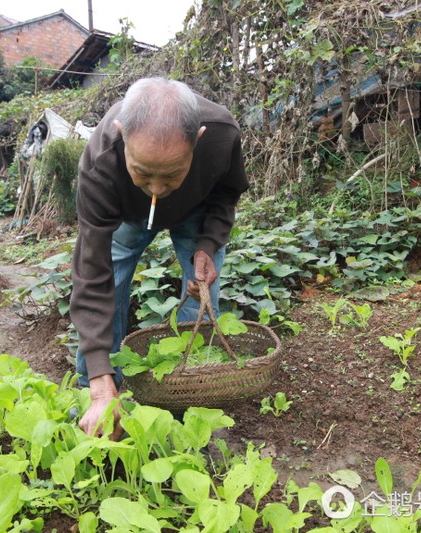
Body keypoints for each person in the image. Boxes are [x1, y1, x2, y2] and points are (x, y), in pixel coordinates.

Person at [70, 77, 249, 436]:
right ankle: (97, 387)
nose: (156, 189)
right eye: (142, 171)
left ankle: (186, 393)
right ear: (122, 135)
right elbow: (92, 273)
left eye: (170, 174)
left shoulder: (220, 135)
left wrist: (208, 244)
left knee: (203, 293)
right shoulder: (100, 161)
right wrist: (101, 381)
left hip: (194, 210)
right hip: (126, 214)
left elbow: (227, 194)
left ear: (196, 140)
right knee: (113, 280)